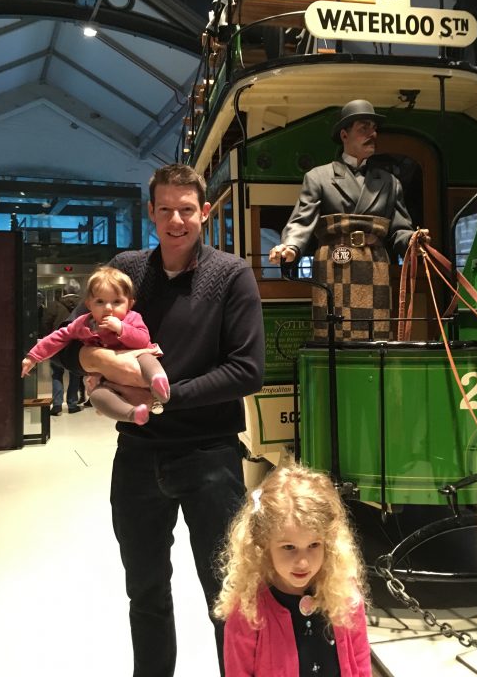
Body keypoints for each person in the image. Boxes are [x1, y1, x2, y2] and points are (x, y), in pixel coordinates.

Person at [58, 163, 265, 677]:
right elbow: (68, 341)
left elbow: (246, 370)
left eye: (187, 210)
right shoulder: (128, 269)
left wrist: (162, 396)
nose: (177, 220)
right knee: (145, 590)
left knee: (228, 593)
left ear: (205, 213)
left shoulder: (230, 275)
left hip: (211, 457)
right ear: (150, 211)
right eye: (166, 209)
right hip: (138, 456)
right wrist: (99, 361)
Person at [269, 99, 428, 340]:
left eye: (374, 128)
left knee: (376, 336)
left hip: (374, 266)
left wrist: (413, 241)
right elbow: (302, 220)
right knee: (333, 334)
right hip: (334, 264)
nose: (372, 134)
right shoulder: (319, 177)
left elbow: (399, 229)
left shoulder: (389, 182)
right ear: (344, 134)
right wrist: (290, 246)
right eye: (364, 128)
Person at [214, 463, 372, 676]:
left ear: (329, 542)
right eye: (289, 547)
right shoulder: (248, 610)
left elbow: (361, 661)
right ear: (263, 541)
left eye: (314, 545)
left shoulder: (344, 594)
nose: (303, 563)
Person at [22, 266, 170, 426]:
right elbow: (59, 337)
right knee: (97, 396)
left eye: (117, 302)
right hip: (107, 377)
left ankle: (157, 380)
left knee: (147, 357)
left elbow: (142, 340)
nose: (108, 308)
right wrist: (33, 357)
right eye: (100, 301)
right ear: (88, 304)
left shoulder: (132, 318)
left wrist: (121, 328)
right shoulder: (83, 323)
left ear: (130, 304)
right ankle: (132, 414)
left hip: (139, 361)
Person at [41, 279, 82, 415]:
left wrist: (49, 338)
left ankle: (57, 406)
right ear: (77, 291)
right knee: (75, 375)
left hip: (57, 346)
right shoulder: (83, 305)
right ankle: (72, 404)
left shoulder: (54, 306)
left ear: (65, 291)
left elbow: (46, 324)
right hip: (76, 346)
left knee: (57, 375)